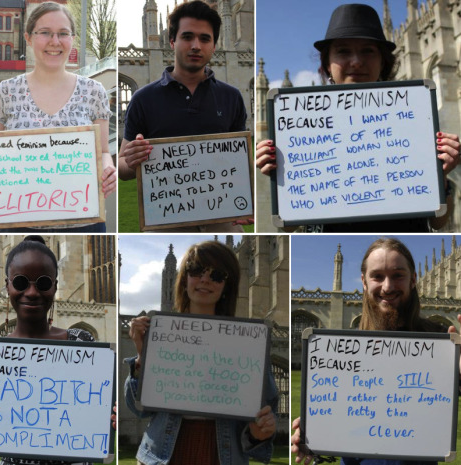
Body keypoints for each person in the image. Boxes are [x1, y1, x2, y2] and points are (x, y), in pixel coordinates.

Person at [256, 3, 461, 232]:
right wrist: (279, 176)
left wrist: (441, 174)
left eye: (368, 51)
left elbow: (438, 221)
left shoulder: (413, 115)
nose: (356, 61)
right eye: (343, 51)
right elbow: (289, 228)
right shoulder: (299, 120)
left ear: (383, 61)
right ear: (327, 64)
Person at [291, 237, 461, 465]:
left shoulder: (442, 343)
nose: (388, 287)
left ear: (413, 280)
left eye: (398, 275)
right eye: (377, 276)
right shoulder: (338, 350)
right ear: (364, 281)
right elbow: (338, 406)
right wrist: (315, 428)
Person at [0, 1, 116, 232]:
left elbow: (104, 152)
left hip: (83, 220)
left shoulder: (94, 92)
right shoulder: (5, 92)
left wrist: (108, 168)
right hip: (18, 222)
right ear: (29, 37)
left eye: (63, 33)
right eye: (45, 33)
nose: (55, 41)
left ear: (72, 38)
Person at [0, 235, 116, 464]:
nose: (32, 292)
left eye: (43, 283)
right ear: (7, 286)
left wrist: (110, 412)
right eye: (21, 282)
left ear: (55, 286)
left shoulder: (82, 342)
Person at [125, 240, 278, 465]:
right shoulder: (161, 332)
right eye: (196, 270)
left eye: (217, 275)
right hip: (161, 456)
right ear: (184, 278)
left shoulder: (249, 340)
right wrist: (142, 358)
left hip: (222, 456)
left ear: (227, 285)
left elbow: (262, 415)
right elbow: (139, 409)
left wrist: (260, 431)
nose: (205, 279)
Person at [119, 0, 250, 232]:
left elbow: (241, 162)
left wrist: (246, 200)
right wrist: (130, 160)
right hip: (164, 221)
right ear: (172, 41)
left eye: (204, 39)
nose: (196, 46)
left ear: (215, 45)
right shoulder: (143, 99)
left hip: (221, 219)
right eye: (187, 37)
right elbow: (122, 168)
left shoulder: (232, 97)